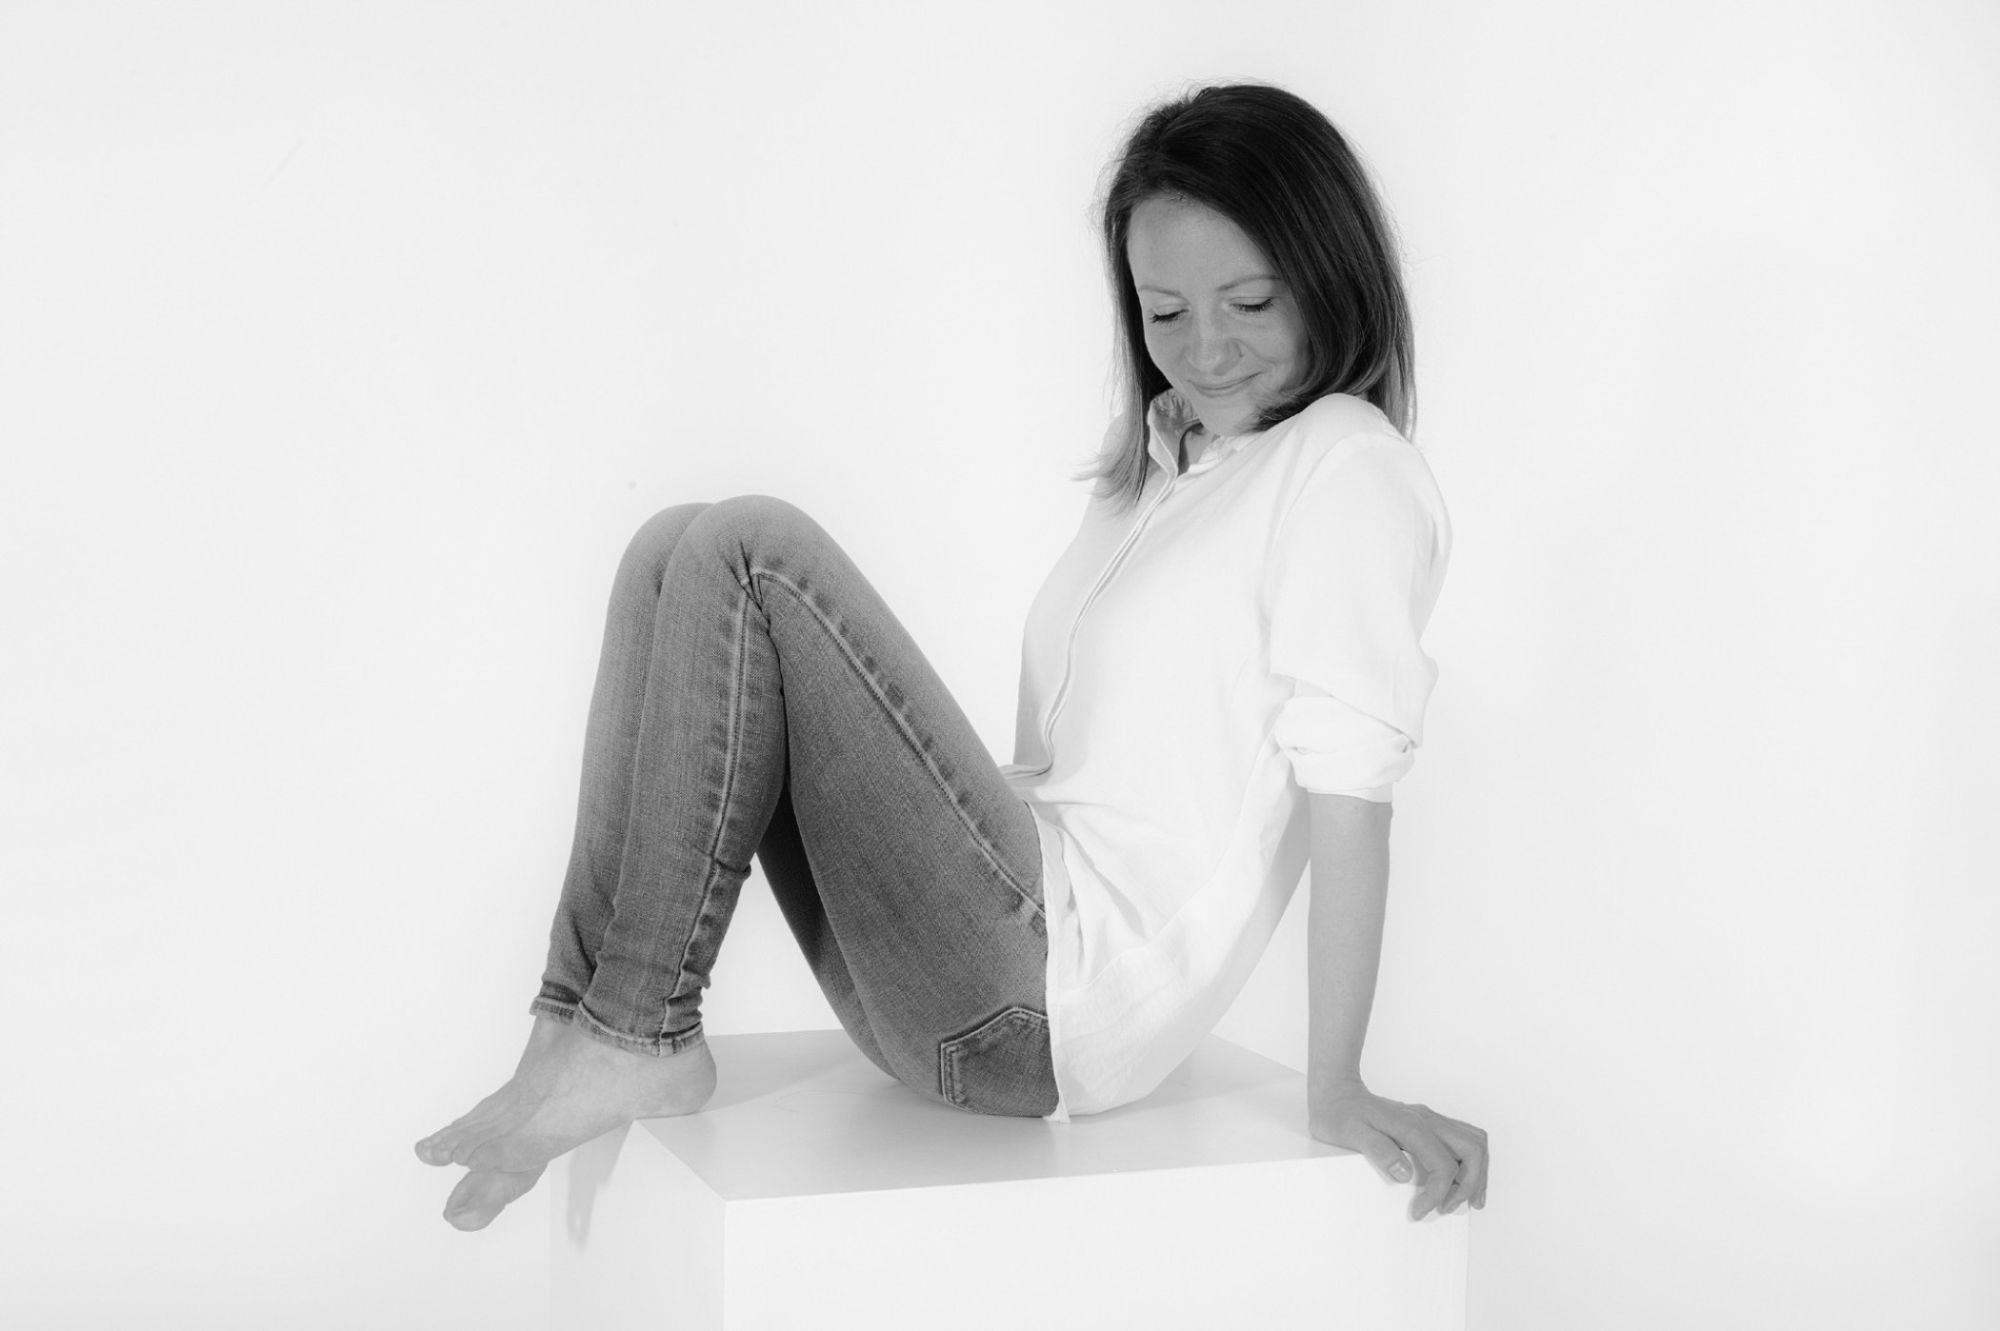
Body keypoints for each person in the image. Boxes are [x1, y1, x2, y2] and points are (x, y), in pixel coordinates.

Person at [415, 79, 1489, 1233]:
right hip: (939, 996)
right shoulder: (1168, 469)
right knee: (666, 548)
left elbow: (1351, 787)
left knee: (749, 548)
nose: (1205, 350)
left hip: (1044, 1007)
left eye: (1250, 301)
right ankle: (574, 1023)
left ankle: (636, 1031)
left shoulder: (1346, 464)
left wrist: (1338, 1085)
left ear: (1329, 273)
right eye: (1165, 313)